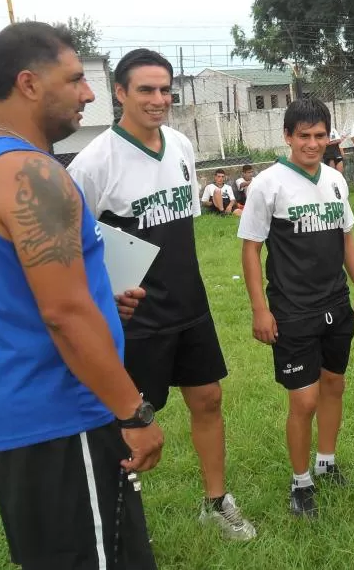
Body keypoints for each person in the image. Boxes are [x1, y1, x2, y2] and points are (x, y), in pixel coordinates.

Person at [0, 21, 163, 568]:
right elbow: (63, 314)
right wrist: (134, 414)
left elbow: (12, 290)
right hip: (62, 418)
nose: (89, 93)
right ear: (29, 83)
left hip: (9, 414)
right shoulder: (32, 173)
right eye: (74, 79)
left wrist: (100, 304)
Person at [67, 48, 256, 541]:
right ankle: (116, 522)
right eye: (146, 90)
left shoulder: (179, 145)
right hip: (135, 318)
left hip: (190, 304)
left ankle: (216, 503)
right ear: (120, 92)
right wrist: (105, 296)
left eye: (165, 89)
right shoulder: (91, 165)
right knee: (124, 424)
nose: (158, 99)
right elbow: (71, 251)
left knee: (209, 399)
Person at [239, 97, 354, 518]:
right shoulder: (268, 184)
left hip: (336, 302)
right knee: (305, 401)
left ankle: (326, 462)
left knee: (334, 385)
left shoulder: (336, 181)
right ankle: (300, 483)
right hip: (293, 309)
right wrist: (260, 309)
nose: (313, 144)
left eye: (319, 135)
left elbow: (346, 238)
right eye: (304, 136)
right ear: (287, 137)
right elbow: (251, 250)